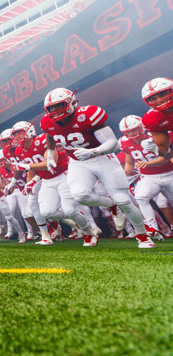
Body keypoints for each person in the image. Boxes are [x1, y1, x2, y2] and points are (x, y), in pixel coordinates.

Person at [41, 87, 154, 248]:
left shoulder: (88, 115)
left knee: (123, 199)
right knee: (80, 196)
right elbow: (50, 135)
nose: (54, 110)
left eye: (58, 106)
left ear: (71, 103)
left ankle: (142, 235)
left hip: (103, 158)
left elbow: (112, 143)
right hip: (78, 162)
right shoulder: (47, 121)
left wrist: (92, 152)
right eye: (51, 108)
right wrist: (51, 154)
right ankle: (110, 206)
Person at [11, 121, 97, 246]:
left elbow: (50, 163)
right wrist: (30, 183)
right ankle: (68, 224)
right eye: (15, 134)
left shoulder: (42, 140)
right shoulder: (19, 150)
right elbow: (32, 169)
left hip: (63, 176)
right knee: (47, 212)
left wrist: (26, 166)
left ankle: (89, 232)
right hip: (46, 180)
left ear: (30, 131)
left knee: (70, 209)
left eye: (20, 133)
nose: (17, 136)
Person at [119, 114, 172, 240]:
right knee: (141, 197)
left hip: (169, 173)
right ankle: (152, 227)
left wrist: (147, 163)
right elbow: (129, 161)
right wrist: (128, 171)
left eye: (134, 130)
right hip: (149, 176)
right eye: (128, 132)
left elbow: (166, 157)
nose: (132, 133)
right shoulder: (124, 142)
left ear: (142, 127)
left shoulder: (156, 135)